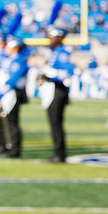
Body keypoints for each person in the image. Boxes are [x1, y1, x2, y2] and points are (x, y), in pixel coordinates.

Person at [41, 26, 74, 162]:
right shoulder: (55, 52)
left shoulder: (62, 52)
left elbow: (68, 72)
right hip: (53, 90)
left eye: (53, 37)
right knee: (54, 123)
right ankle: (58, 152)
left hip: (58, 90)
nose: (50, 39)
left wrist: (51, 75)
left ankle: (59, 153)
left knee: (56, 123)